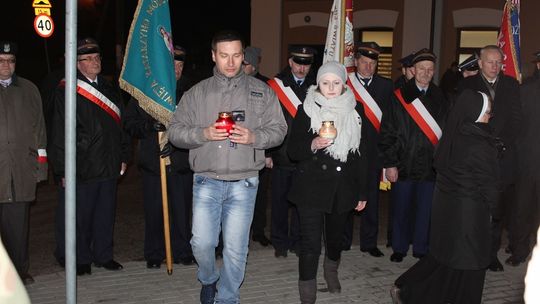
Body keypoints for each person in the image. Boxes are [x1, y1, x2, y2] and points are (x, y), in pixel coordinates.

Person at [167, 30, 287, 304]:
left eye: (236, 55)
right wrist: (203, 134)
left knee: (235, 249)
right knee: (202, 243)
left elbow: (279, 130)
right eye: (224, 56)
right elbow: (175, 132)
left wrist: (255, 137)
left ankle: (227, 297)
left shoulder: (261, 91)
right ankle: (209, 278)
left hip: (244, 183)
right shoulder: (197, 93)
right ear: (213, 56)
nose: (231, 62)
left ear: (243, 56)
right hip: (206, 181)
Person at [391, 90, 500, 304]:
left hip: (448, 214)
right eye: (487, 112)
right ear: (474, 112)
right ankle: (407, 291)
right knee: (470, 267)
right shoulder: (479, 144)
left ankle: (407, 290)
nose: (489, 116)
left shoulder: (451, 136)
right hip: (471, 218)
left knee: (446, 263)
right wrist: (497, 210)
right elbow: (490, 187)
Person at [286, 61, 368, 303]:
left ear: (343, 84)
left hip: (342, 187)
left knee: (335, 240)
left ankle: (331, 270)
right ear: (317, 84)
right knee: (310, 243)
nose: (330, 88)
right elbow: (293, 150)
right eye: (325, 83)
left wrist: (362, 192)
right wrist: (313, 144)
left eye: (335, 83)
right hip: (310, 187)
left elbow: (363, 155)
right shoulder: (306, 109)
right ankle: (307, 290)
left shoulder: (356, 111)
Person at [49, 38, 130, 276]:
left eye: (96, 58)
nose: (94, 62)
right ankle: (81, 258)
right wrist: (62, 169)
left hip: (109, 161)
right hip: (82, 164)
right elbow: (59, 132)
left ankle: (104, 255)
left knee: (106, 212)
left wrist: (124, 155)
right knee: (80, 216)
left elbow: (121, 124)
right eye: (88, 59)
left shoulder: (109, 88)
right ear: (77, 63)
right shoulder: (67, 90)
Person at [124, 45, 195, 269]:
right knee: (154, 210)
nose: (176, 69)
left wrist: (176, 144)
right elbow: (129, 123)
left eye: (180, 65)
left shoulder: (191, 92)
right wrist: (148, 126)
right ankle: (154, 252)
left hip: (181, 162)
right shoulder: (146, 92)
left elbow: (197, 127)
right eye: (172, 64)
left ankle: (182, 250)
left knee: (182, 211)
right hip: (152, 163)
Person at [457, 45, 521, 272]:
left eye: (498, 62)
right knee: (475, 207)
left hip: (503, 158)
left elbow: (516, 120)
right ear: (480, 63)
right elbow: (461, 121)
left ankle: (490, 254)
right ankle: (471, 250)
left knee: (497, 209)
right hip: (476, 158)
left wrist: (499, 144)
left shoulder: (512, 85)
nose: (495, 67)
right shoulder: (467, 85)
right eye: (490, 62)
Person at [379, 49, 448, 263]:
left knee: (425, 212)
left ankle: (421, 247)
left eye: (430, 69)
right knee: (401, 209)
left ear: (434, 71)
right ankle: (399, 247)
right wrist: (390, 164)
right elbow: (387, 132)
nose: (426, 73)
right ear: (413, 70)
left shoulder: (441, 97)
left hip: (430, 165)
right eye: (421, 69)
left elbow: (446, 133)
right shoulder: (398, 96)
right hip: (403, 164)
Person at [0, 41, 47, 285]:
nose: (6, 65)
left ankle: (19, 272)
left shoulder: (28, 89)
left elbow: (39, 130)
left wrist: (40, 167)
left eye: (10, 60)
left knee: (18, 229)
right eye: (1, 60)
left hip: (20, 171)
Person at [343, 42, 393, 257]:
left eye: (372, 63)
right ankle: (343, 239)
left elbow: (389, 121)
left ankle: (369, 242)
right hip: (349, 150)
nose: (368, 67)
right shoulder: (344, 84)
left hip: (373, 151)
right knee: (346, 196)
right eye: (364, 62)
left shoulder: (386, 86)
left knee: (371, 198)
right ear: (355, 62)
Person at [267, 46, 317, 258]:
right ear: (290, 62)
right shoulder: (275, 86)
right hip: (280, 153)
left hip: (304, 156)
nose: (302, 68)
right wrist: (267, 152)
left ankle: (297, 240)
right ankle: (279, 242)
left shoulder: (316, 87)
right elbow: (266, 119)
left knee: (301, 203)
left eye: (306, 64)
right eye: (298, 62)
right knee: (279, 202)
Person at [506, 65, 540, 266]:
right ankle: (519, 250)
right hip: (526, 161)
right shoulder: (525, 90)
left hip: (527, 159)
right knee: (521, 209)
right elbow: (514, 125)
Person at [242, 46, 271, 247]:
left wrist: (268, 153)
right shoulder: (233, 85)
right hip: (239, 149)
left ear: (253, 65)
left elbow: (272, 122)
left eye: (245, 63)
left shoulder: (266, 85)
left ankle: (259, 231)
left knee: (260, 194)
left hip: (260, 149)